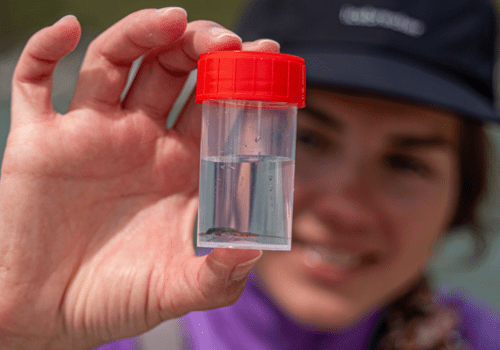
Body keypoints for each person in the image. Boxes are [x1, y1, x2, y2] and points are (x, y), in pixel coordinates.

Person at [0, 1, 498, 350]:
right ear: (218, 139)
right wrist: (25, 331)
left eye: (406, 163)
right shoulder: (101, 324)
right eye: (306, 138)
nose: (345, 207)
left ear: (462, 195)